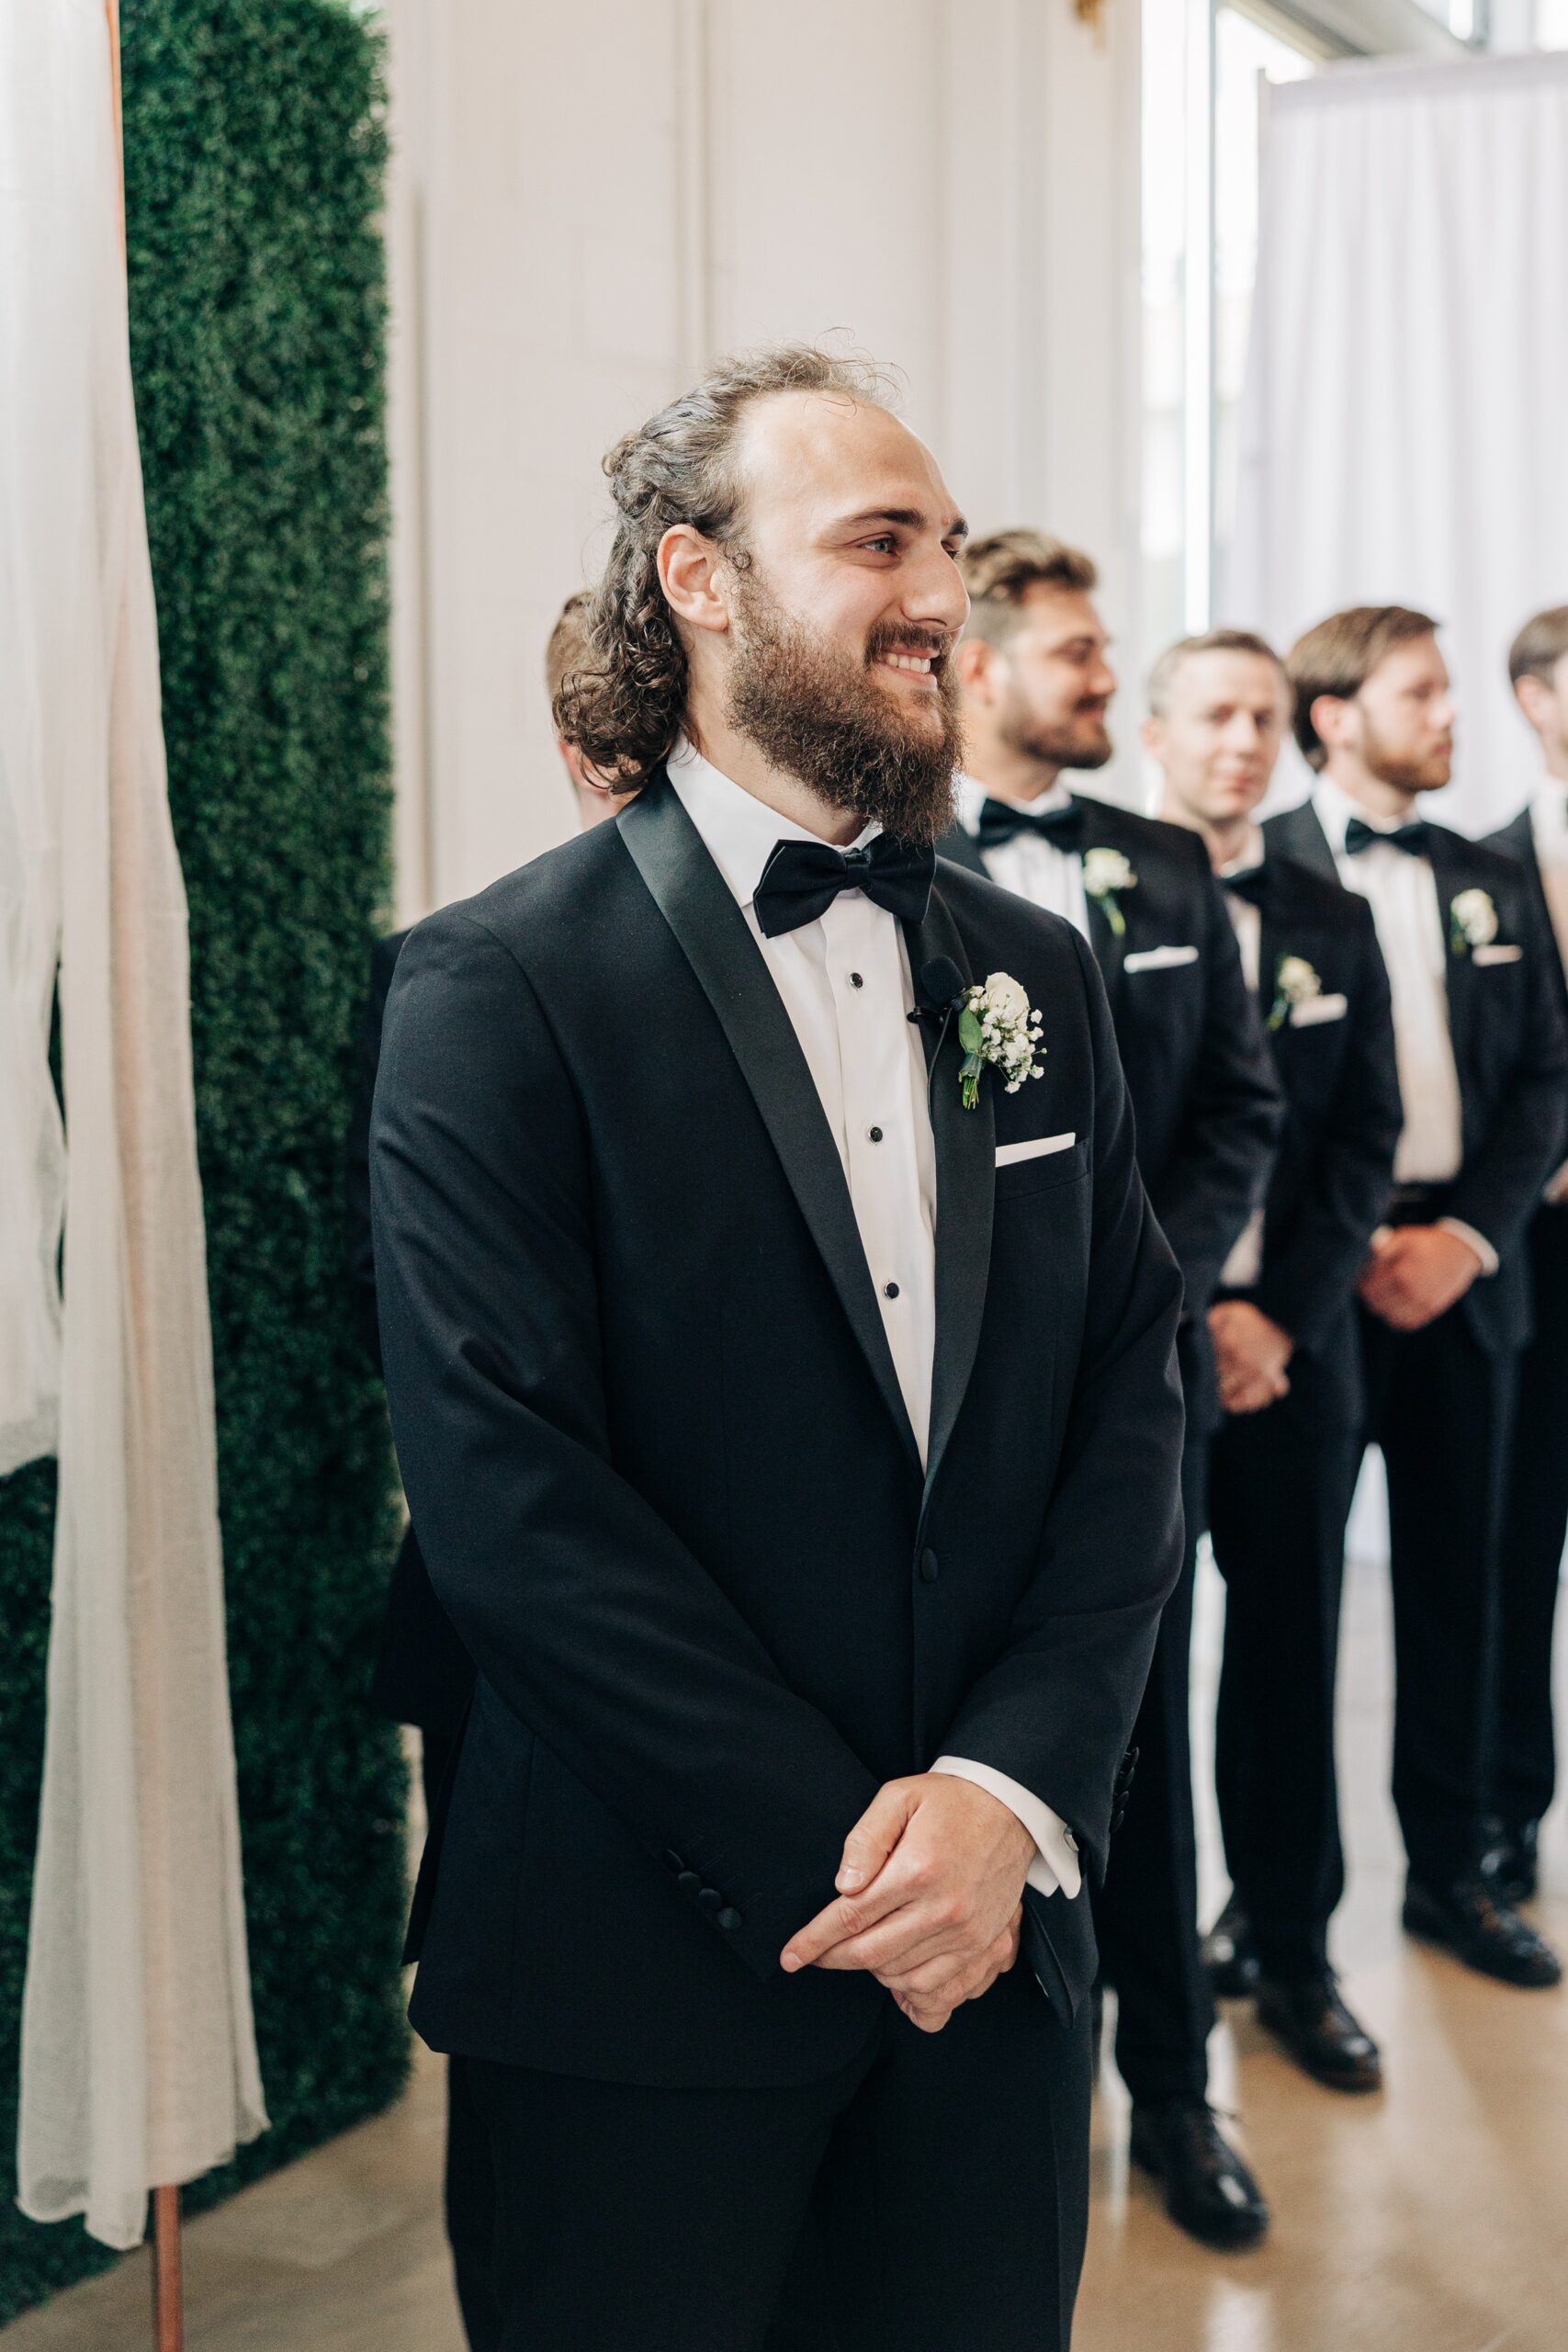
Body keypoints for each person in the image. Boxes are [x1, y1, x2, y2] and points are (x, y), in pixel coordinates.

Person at [369, 344, 1185, 2351]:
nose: (940, 596)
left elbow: (1126, 1396)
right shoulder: (492, 987)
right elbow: (508, 1496)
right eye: (878, 541)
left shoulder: (1038, 968)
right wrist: (854, 1863)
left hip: (992, 1964)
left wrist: (1004, 1795)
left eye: (952, 545)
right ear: (699, 581)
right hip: (641, 1966)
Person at [941, 537, 1282, 2248]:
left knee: (1144, 1752)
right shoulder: (891, 858)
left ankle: (1176, 2096)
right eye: (1078, 654)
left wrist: (1174, 1281)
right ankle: (1002, 2104)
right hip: (951, 1418)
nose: (1102, 678)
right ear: (984, 669)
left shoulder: (1164, 868)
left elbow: (1238, 1105)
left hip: (1142, 1394)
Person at [344, 590, 623, 2351]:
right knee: (532, 2032)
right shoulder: (462, 973)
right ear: (593, 761)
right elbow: (400, 1309)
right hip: (517, 1608)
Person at [1267, 605, 1568, 1987]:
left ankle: (1452, 1871)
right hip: (1308, 1292)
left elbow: (1546, 1079)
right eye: (1423, 693)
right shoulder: (1255, 874)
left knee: (1467, 1586)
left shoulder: (1483, 875)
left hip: (1468, 1271)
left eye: (1451, 692)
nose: (1452, 715)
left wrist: (1469, 1238)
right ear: (1335, 717)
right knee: (1292, 1608)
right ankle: (1278, 1909)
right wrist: (1328, 1257)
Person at [1145, 629, 1401, 2091]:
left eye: (1261, 718)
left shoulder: (1330, 911)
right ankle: (1149, 1975)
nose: (1244, 741)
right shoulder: (1096, 906)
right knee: (1142, 1669)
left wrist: (1282, 1317)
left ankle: (1294, 1954)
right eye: (1215, 717)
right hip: (1151, 1357)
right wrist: (1186, 1317)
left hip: (1296, 1352)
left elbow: (1361, 1136)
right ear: (1159, 733)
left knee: (1295, 1654)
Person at [1483, 605, 1568, 1905]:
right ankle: (1504, 1814)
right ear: (1535, 700)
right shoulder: (1485, 867)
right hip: (1538, 1245)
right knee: (1515, 1538)